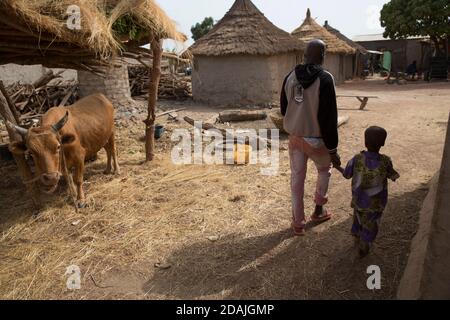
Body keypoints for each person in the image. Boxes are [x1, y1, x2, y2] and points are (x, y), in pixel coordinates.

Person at [280, 39, 341, 236]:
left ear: (304, 55)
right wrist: (332, 150)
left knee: (297, 180)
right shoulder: (325, 78)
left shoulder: (289, 77)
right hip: (316, 140)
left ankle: (298, 223)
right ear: (323, 56)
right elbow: (328, 117)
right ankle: (318, 210)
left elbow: (284, 108)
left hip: (295, 138)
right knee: (324, 169)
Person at [335, 126, 400, 257]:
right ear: (383, 143)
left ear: (365, 142)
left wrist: (337, 166)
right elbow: (392, 176)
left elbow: (347, 174)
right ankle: (365, 243)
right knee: (372, 223)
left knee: (358, 217)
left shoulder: (357, 159)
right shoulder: (386, 161)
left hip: (359, 200)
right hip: (377, 203)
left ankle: (356, 236)